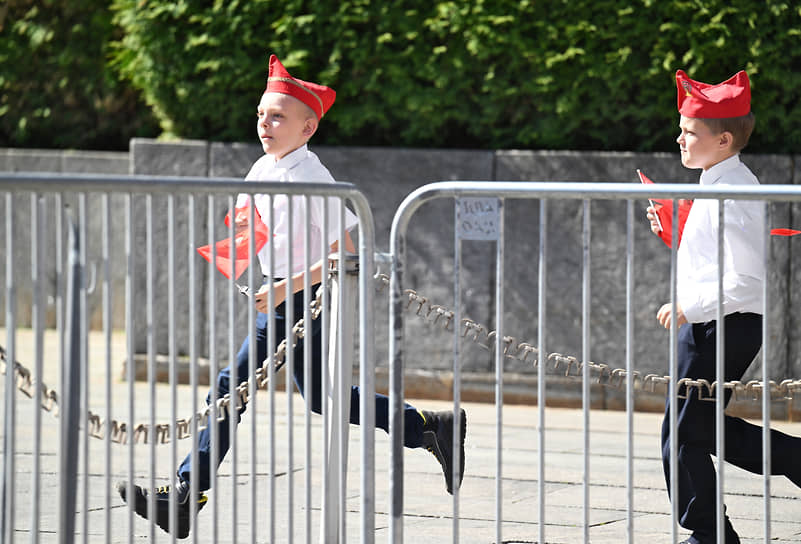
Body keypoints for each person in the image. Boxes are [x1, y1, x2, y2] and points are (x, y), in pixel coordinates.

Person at [117, 54, 466, 538]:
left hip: (306, 302)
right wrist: (238, 249)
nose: (264, 122)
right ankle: (428, 426)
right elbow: (252, 232)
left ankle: (184, 494)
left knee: (228, 386)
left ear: (307, 129)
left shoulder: (313, 176)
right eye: (261, 113)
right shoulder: (262, 167)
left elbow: (349, 253)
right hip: (283, 301)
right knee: (324, 398)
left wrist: (287, 286)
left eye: (276, 116)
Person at [646, 69, 801, 544]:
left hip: (720, 325)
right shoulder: (719, 178)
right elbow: (718, 258)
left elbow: (742, 278)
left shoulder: (732, 188)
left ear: (724, 138)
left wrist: (690, 306)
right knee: (700, 431)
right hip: (716, 324)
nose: (680, 138)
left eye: (690, 132)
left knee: (682, 436)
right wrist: (675, 232)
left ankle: (710, 536)